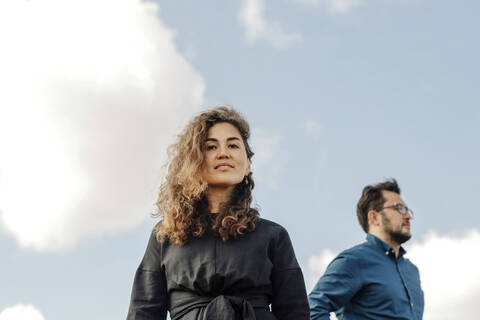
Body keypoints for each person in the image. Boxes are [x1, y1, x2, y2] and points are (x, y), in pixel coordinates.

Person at [127, 107, 309, 320]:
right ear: (193, 161)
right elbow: (143, 313)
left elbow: (295, 314)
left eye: (232, 145)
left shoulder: (274, 235)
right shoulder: (164, 235)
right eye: (211, 147)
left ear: (248, 164)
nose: (223, 153)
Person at [309, 179, 424, 320]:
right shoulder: (354, 261)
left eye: (407, 210)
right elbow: (313, 308)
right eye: (399, 208)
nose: (408, 216)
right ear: (374, 217)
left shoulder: (412, 270)